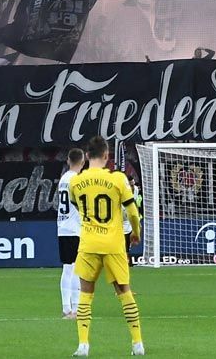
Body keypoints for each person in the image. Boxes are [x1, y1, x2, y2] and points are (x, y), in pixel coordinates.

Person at [70, 136, 144, 357]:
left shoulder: (75, 181)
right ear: (106, 155)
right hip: (113, 243)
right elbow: (132, 211)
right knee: (124, 292)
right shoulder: (118, 179)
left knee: (85, 294)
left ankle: (83, 345)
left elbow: (76, 205)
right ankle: (137, 343)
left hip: (89, 243)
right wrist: (135, 233)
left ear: (87, 156)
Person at [56, 147, 85, 320]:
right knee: (76, 269)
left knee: (67, 268)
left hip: (63, 227)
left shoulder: (63, 179)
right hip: (75, 228)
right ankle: (75, 309)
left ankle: (66, 308)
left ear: (68, 160)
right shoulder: (77, 180)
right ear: (82, 162)